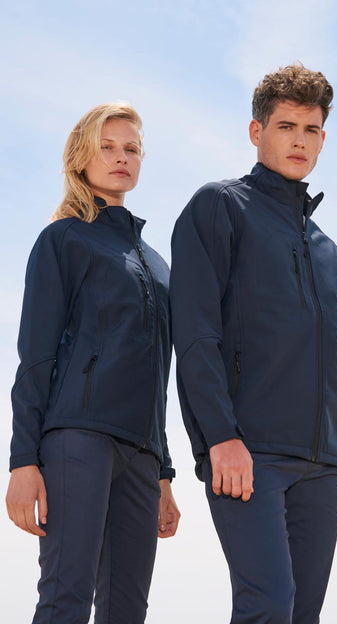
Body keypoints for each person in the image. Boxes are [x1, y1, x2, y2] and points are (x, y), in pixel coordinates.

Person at [169, 65, 337, 623]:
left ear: (323, 139)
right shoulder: (219, 207)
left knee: (302, 613)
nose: (299, 141)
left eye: (311, 130)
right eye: (286, 127)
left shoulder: (326, 249)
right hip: (249, 451)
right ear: (256, 131)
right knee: (267, 604)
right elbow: (194, 334)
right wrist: (220, 436)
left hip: (321, 463)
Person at [5, 102, 180, 624]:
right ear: (81, 157)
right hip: (78, 439)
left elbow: (157, 373)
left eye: (131, 149)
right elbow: (35, 356)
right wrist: (23, 461)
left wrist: (164, 474)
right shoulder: (63, 239)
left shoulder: (158, 264)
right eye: (107, 147)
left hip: (141, 454)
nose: (121, 157)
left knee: (127, 610)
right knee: (67, 598)